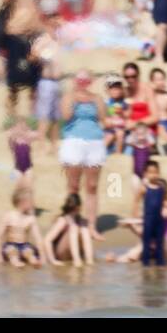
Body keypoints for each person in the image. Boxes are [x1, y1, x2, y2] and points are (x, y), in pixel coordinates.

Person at [58, 70, 106, 227]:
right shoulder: (68, 97)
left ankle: (91, 225)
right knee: (73, 185)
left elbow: (103, 118)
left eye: (86, 80)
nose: (82, 83)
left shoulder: (96, 98)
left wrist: (93, 99)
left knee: (92, 186)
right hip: (74, 141)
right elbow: (66, 116)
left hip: (94, 142)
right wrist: (74, 96)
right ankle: (73, 221)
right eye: (80, 79)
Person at [0, 186, 45, 268]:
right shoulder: (8, 216)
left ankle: (33, 261)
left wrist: (43, 257)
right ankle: (15, 262)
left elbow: (38, 239)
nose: (33, 203)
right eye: (31, 201)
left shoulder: (31, 218)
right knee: (12, 252)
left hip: (24, 245)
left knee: (29, 252)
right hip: (10, 244)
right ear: (23, 202)